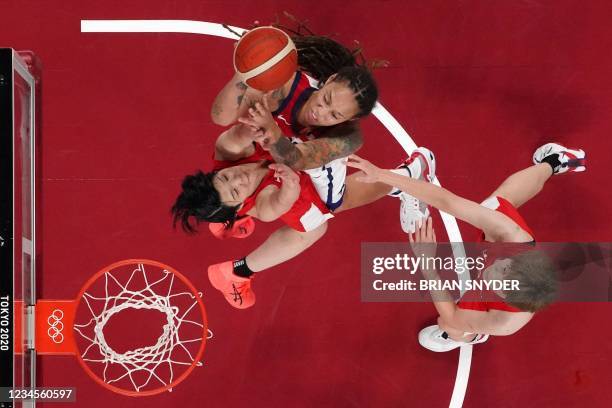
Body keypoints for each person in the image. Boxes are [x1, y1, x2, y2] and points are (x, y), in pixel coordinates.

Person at [347, 142, 586, 351]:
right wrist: (383, 175)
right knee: (495, 203)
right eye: (505, 269)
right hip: (499, 243)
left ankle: (471, 336)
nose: (492, 273)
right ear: (518, 256)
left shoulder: (505, 321)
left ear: (508, 298)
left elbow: (452, 314)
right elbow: (448, 201)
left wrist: (428, 265)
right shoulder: (511, 237)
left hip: (480, 310)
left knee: (449, 325)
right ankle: (554, 162)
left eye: (501, 284)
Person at [172, 124, 331, 309]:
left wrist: (251, 130)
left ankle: (231, 218)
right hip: (280, 192)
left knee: (233, 191)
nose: (237, 178)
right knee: (315, 228)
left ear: (215, 173)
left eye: (224, 178)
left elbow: (235, 136)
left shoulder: (228, 152)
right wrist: (291, 186)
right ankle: (238, 271)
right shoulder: (265, 205)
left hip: (240, 198)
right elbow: (278, 203)